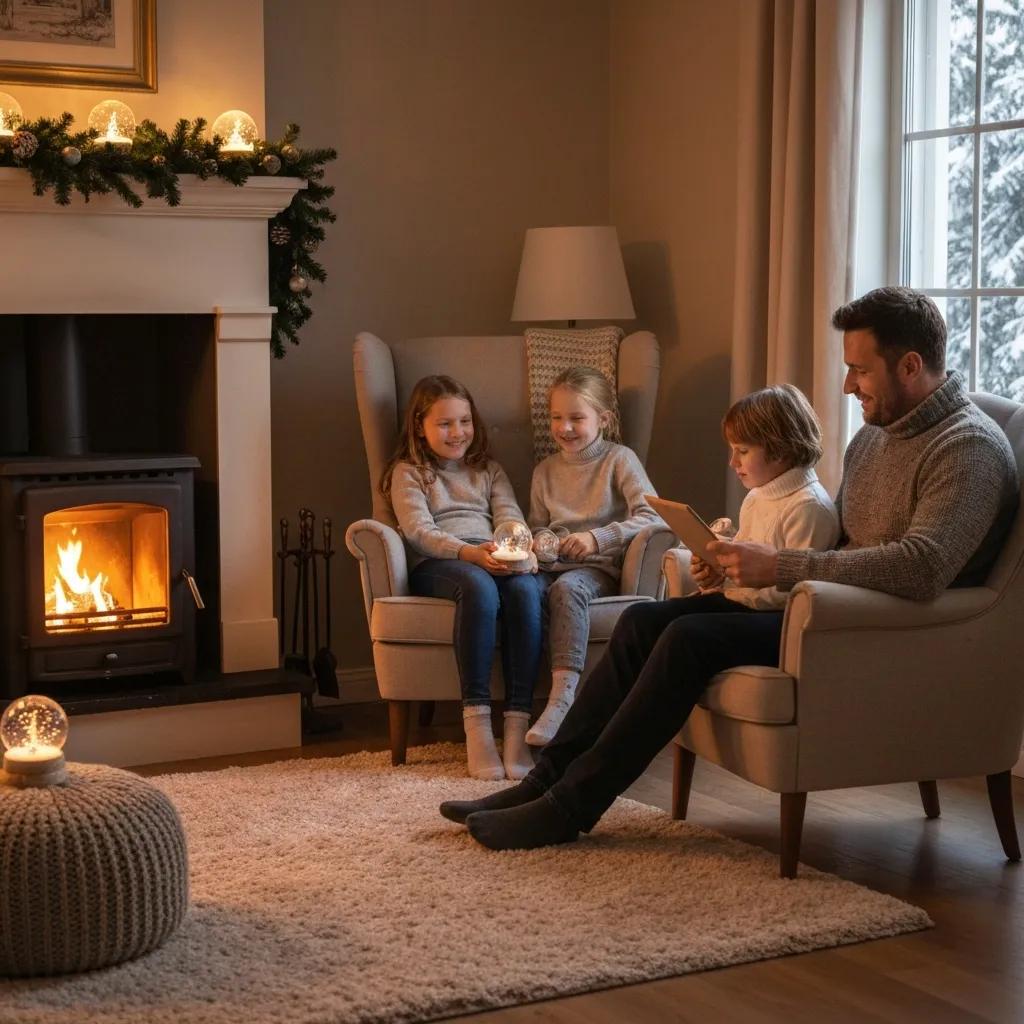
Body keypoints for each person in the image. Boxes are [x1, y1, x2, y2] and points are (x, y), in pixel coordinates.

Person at [439, 285, 1019, 850]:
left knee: (690, 638)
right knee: (644, 621)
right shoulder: (876, 436)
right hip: (820, 612)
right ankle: (541, 784)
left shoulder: (967, 449)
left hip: (877, 635)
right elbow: (843, 538)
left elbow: (923, 568)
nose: (847, 385)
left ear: (911, 365)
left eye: (860, 371)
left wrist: (781, 565)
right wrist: (740, 563)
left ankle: (568, 810)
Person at [383, 375, 544, 782]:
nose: (458, 433)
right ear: (420, 426)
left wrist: (514, 545)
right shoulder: (409, 472)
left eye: (465, 421)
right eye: (445, 424)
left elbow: (509, 513)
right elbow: (419, 531)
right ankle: (476, 727)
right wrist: (468, 552)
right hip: (440, 563)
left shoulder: (488, 470)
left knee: (526, 589)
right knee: (477, 587)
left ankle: (516, 727)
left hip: (490, 552)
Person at [526, 366, 664, 746]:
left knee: (567, 589)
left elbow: (653, 515)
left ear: (602, 419)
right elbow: (537, 524)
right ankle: (518, 707)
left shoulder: (619, 460)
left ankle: (562, 700)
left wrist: (597, 538)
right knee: (522, 591)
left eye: (576, 418)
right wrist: (541, 541)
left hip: (596, 570)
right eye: (557, 417)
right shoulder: (544, 471)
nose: (564, 428)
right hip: (552, 565)